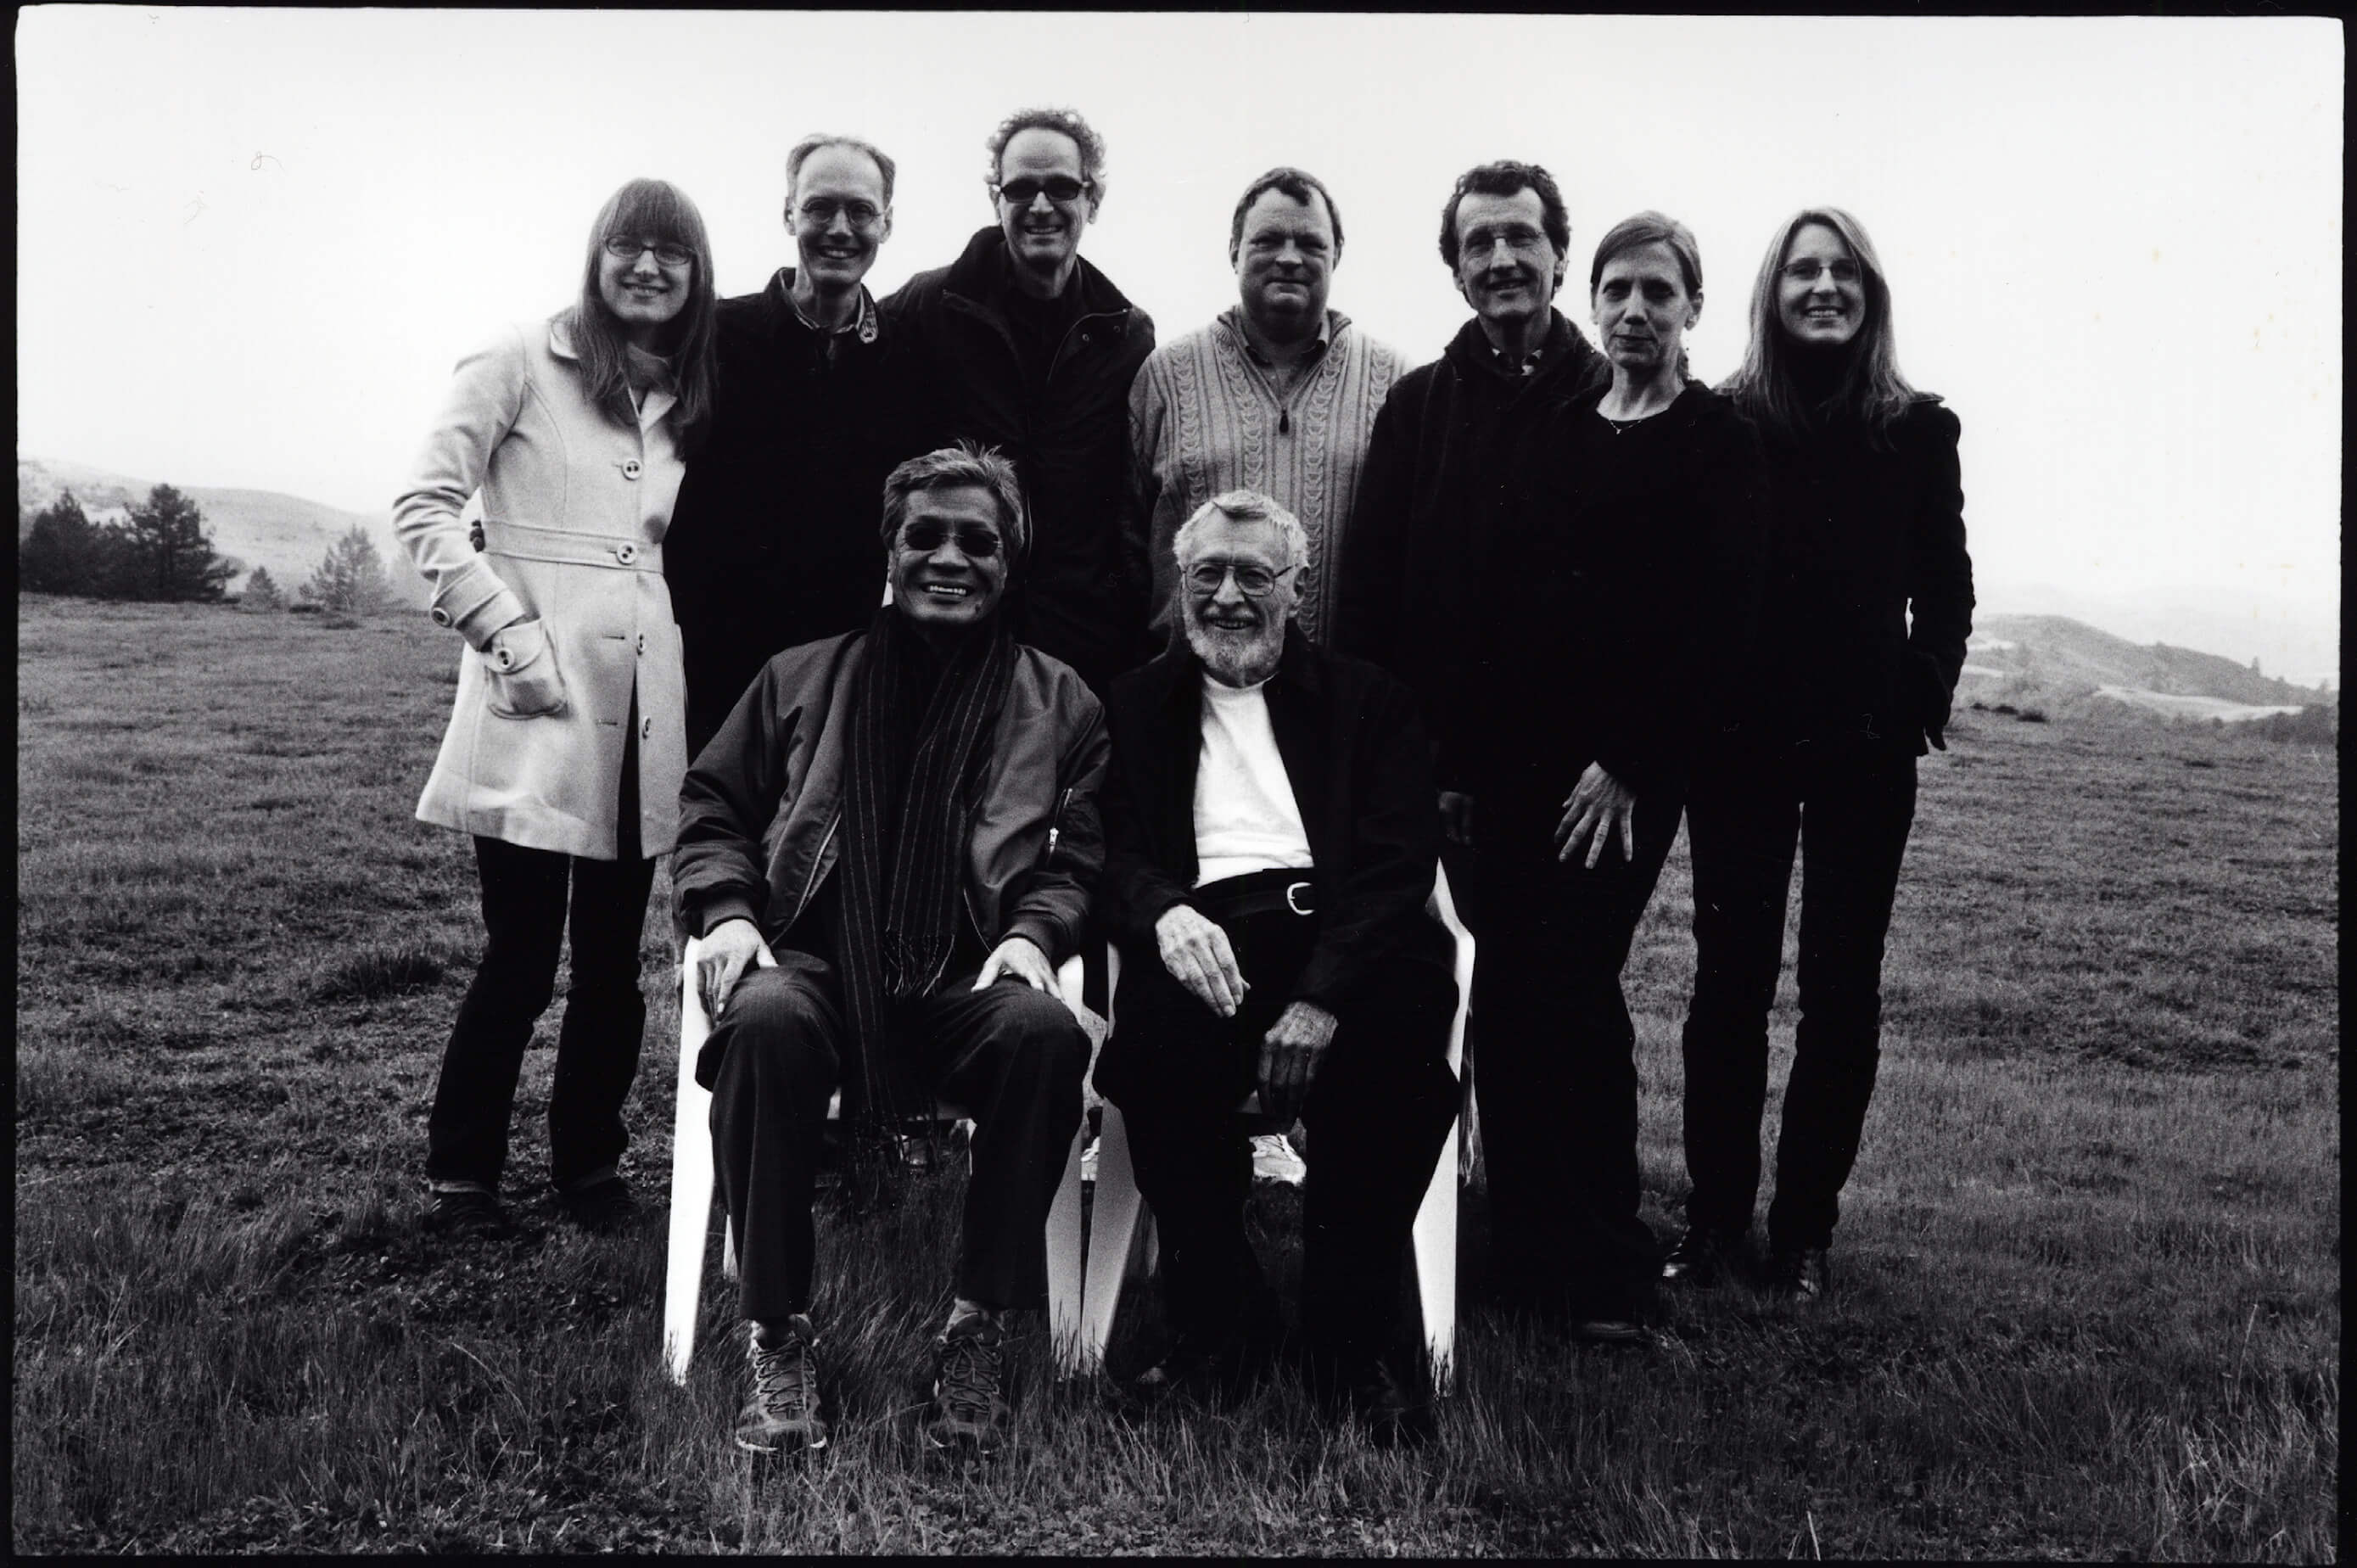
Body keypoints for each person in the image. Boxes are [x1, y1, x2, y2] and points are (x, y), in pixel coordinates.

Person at [675, 443, 1108, 1459]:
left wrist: (1033, 937)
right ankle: (775, 1335)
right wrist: (731, 911)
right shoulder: (800, 676)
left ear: (1011, 564)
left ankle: (977, 1333)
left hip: (968, 978)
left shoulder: (1062, 702)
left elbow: (1076, 855)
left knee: (1046, 1034)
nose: (949, 558)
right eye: (926, 535)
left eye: (978, 542)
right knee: (767, 1015)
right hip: (816, 970)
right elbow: (712, 808)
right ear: (891, 549)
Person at [1094, 490, 1458, 1448]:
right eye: (1206, 573)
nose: (1226, 597)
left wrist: (1321, 1000)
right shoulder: (1133, 706)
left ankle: (1351, 1342)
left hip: (1349, 942)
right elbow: (1112, 847)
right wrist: (1163, 911)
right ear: (1180, 583)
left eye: (1254, 575)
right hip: (1207, 938)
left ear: (1296, 589)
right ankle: (1222, 1326)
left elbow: (1396, 866)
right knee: (1154, 1056)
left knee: (1400, 1059)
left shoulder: (1367, 700)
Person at [1460, 214, 1768, 1340]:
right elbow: (1510, 599)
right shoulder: (1556, 427)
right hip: (1515, 765)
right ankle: (1522, 1247)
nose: (1635, 310)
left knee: (1574, 991)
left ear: (1691, 304)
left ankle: (1603, 1266)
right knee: (1506, 996)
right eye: (1618, 291)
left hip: (1623, 780)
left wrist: (1631, 764)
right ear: (1590, 302)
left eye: (1658, 291)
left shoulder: (1715, 440)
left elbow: (1720, 625)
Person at [395, 178, 718, 1239]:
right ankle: (462, 1176)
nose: (649, 267)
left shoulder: (687, 388)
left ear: (695, 272)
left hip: (643, 707)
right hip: (536, 695)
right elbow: (425, 506)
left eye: (673, 252)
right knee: (522, 954)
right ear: (598, 253)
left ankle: (589, 1168)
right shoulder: (517, 358)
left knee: (615, 966)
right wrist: (506, 631)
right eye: (629, 245)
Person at [1666, 208, 1973, 1302]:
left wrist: (1917, 698)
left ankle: (1803, 1233)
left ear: (1871, 292)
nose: (1824, 287)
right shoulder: (1729, 420)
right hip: (1739, 748)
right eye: (1804, 270)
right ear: (1773, 290)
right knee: (1729, 989)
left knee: (1841, 994)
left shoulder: (1918, 430)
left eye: (1844, 271)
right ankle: (1712, 1225)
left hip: (1862, 751)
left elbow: (1945, 590)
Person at [1332, 159, 1610, 848]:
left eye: (1522, 237)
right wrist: (1418, 763)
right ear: (1457, 272)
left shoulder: (1613, 398)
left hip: (1583, 783)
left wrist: (1620, 757)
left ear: (1561, 256)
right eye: (1478, 245)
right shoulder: (1416, 406)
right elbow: (1373, 598)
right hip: (1446, 783)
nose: (1503, 260)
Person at [665, 134, 932, 759]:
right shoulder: (713, 336)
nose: (840, 229)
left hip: (836, 681)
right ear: (789, 213)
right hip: (706, 676)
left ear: (886, 223)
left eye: (861, 211)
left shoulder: (910, 361)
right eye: (819, 208)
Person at [885, 107, 1156, 696]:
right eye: (1020, 188)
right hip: (947, 631)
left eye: (1061, 187)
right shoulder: (929, 306)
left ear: (1093, 199)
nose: (1040, 206)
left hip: (1081, 649)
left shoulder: (1126, 334)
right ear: (995, 198)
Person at [1128, 167, 1408, 647]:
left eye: (1311, 243)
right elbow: (1125, 548)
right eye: (1268, 240)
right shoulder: (1165, 377)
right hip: (1189, 697)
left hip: (1342, 700)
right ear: (1234, 250)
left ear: (1337, 255)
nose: (1289, 257)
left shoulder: (1394, 383)